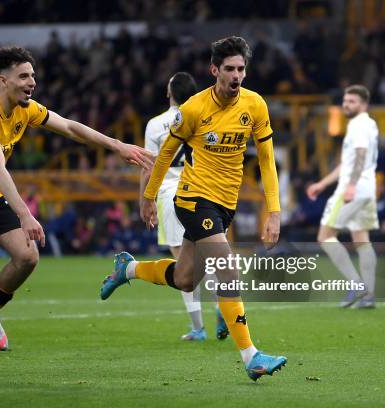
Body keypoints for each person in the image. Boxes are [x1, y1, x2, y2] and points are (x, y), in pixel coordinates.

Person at [0, 46, 153, 382]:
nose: (32, 81)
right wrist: (24, 214)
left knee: (28, 256)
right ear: (3, 81)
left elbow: (70, 128)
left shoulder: (25, 110)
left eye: (33, 75)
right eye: (24, 76)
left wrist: (118, 146)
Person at [101, 36, 287, 381]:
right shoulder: (194, 109)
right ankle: (251, 357)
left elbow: (266, 160)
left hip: (225, 204)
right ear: (214, 70)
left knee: (186, 279)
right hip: (192, 198)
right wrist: (148, 196)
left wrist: (274, 211)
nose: (236, 76)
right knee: (227, 267)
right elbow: (166, 154)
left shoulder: (255, 105)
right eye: (229, 69)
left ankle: (127, 270)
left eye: (241, 69)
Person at [140, 71, 228, 342]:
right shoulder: (202, 116)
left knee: (183, 265)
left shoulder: (155, 124)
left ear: (169, 93)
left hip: (168, 194)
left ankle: (198, 328)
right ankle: (221, 306)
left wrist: (145, 198)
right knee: (211, 258)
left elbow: (148, 165)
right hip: (200, 192)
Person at [306, 84, 379, 309]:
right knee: (362, 240)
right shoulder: (370, 124)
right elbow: (347, 163)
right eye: (345, 101)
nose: (346, 104)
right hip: (368, 189)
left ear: (363, 104)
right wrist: (322, 183)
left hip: (352, 189)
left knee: (325, 236)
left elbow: (360, 155)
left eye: (352, 101)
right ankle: (368, 297)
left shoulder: (358, 125)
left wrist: (351, 186)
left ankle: (358, 285)